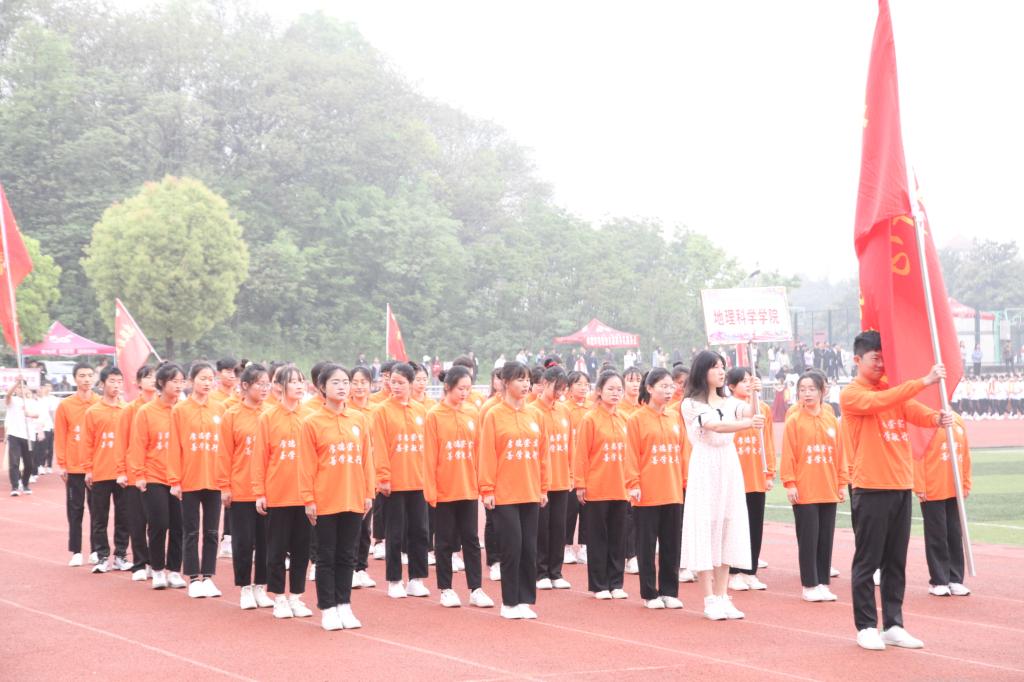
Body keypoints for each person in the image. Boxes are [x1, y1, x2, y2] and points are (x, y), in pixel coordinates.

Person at [840, 330, 951, 651]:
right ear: (857, 359)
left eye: (884, 359)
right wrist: (923, 381)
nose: (881, 364)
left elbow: (914, 412)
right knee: (867, 561)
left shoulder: (892, 392)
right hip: (871, 487)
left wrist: (937, 417)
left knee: (895, 561)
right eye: (875, 358)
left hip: (901, 485)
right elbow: (882, 402)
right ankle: (865, 626)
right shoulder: (852, 394)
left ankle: (893, 624)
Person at [680, 351, 761, 621]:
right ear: (702, 371)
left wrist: (754, 394)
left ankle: (723, 595)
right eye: (715, 367)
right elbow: (715, 426)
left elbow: (750, 411)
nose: (721, 371)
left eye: (722, 367)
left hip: (728, 465)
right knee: (706, 525)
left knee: (727, 525)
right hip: (705, 465)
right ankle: (709, 598)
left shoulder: (729, 400)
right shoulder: (691, 404)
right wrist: (748, 424)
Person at [299, 364, 374, 630]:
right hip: (325, 500)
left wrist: (368, 492)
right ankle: (328, 607)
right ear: (322, 387)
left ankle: (344, 604)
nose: (342, 387)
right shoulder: (311, 422)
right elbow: (306, 465)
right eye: (336, 382)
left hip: (353, 497)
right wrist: (308, 499)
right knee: (326, 556)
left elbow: (366, 459)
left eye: (345, 382)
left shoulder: (359, 419)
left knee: (347, 555)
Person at [479, 361, 549, 619]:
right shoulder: (494, 415)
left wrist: (543, 487)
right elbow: (487, 454)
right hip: (505, 494)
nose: (526, 384)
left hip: (530, 491)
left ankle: (524, 600)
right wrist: (487, 489)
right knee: (512, 547)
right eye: (520, 379)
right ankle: (509, 602)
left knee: (529, 548)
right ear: (506, 383)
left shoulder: (535, 415)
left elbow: (543, 455)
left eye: (527, 379)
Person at [423, 366, 494, 608]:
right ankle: (446, 589)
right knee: (444, 541)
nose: (464, 393)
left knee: (471, 540)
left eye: (468, 389)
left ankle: (476, 589)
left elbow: (479, 451)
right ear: (448, 387)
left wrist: (482, 484)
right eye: (461, 388)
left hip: (468, 488)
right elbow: (429, 456)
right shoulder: (434, 416)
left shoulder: (472, 412)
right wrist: (431, 490)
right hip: (444, 490)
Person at [253, 365, 314, 619]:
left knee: (302, 548)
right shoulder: (268, 417)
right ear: (280, 386)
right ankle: (278, 597)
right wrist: (259, 491)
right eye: (294, 381)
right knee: (276, 549)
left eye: (302, 380)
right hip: (278, 494)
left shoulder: (310, 416)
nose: (300, 385)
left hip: (305, 495)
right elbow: (259, 457)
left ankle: (296, 596)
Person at [780, 371, 847, 602]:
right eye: (802, 389)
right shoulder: (794, 420)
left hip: (828, 488)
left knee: (825, 538)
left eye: (811, 389)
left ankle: (823, 583)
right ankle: (809, 584)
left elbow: (840, 453)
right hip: (805, 489)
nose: (806, 393)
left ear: (822, 391)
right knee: (809, 538)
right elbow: (788, 454)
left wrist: (842, 483)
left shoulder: (831, 419)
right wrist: (790, 483)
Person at [625, 368, 685, 609]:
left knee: (672, 543)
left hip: (673, 490)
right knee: (647, 546)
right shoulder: (636, 419)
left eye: (671, 386)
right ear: (649, 388)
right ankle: (650, 593)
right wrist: (633, 483)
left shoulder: (675, 417)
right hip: (647, 493)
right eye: (663, 386)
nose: (669, 391)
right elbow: (631, 454)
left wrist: (685, 480)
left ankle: (669, 591)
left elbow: (684, 451)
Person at [218, 363, 274, 609]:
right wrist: (224, 486)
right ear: (245, 386)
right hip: (241, 488)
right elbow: (224, 454)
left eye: (267, 384)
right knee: (243, 541)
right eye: (260, 384)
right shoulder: (232, 416)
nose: (265, 388)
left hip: (269, 490)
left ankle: (261, 585)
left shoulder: (271, 413)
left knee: (265, 541)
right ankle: (244, 587)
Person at [372, 362, 431, 599]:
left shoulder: (421, 411)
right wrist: (383, 477)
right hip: (393, 484)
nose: (395, 386)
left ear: (410, 383)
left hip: (418, 481)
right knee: (394, 533)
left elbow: (428, 448)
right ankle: (394, 580)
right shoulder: (382, 411)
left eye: (400, 383)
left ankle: (416, 579)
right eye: (392, 382)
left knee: (420, 532)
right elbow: (380, 447)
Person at [167, 362, 225, 598]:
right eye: (202, 378)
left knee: (211, 531)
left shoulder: (220, 408)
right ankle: (193, 577)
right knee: (190, 531)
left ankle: (208, 576)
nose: (207, 383)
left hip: (214, 479)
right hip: (189, 479)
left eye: (210, 378)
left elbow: (225, 447)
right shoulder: (180, 410)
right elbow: (174, 446)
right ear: (191, 381)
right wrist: (174, 480)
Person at [129, 363, 187, 590]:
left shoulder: (183, 410)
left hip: (181, 476)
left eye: (181, 381)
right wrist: (139, 474)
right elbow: (138, 444)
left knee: (179, 525)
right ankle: (158, 569)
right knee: (159, 523)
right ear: (161, 383)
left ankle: (174, 570)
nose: (179, 386)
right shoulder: (146, 412)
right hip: (154, 475)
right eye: (174, 381)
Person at [574, 370, 630, 600]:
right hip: (597, 487)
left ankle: (616, 583)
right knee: (598, 538)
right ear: (599, 391)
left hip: (621, 487)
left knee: (618, 537)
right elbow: (581, 453)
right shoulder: (590, 419)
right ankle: (599, 585)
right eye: (610, 389)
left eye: (619, 389)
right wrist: (580, 483)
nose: (616, 393)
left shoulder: (625, 419)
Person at [725, 367, 775, 592]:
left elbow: (769, 442)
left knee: (755, 526)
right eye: (742, 381)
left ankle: (750, 572)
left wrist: (769, 473)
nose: (747, 384)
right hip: (735, 477)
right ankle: (734, 573)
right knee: (735, 527)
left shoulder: (763, 409)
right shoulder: (727, 408)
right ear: (731, 386)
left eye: (749, 380)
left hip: (756, 477)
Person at [914, 413, 971, 597]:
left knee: (955, 533)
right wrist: (919, 484)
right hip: (933, 487)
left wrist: (966, 482)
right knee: (937, 535)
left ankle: (955, 579)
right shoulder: (926, 420)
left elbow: (965, 453)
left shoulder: (957, 420)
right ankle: (939, 580)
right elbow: (917, 455)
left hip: (954, 487)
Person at [82, 366, 131, 573]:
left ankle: (120, 555)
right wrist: (88, 469)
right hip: (101, 472)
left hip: (123, 473)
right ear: (102, 384)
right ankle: (102, 556)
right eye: (112, 381)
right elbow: (87, 443)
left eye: (119, 381)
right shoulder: (93, 412)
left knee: (124, 516)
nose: (116, 385)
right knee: (99, 517)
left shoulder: (128, 410)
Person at [530, 366, 573, 591]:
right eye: (557, 388)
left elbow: (570, 445)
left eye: (563, 389)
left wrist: (571, 473)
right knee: (541, 527)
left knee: (559, 527)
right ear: (545, 384)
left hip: (561, 478)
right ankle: (540, 572)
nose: (560, 393)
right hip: (539, 481)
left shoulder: (564, 411)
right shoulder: (532, 411)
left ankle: (556, 572)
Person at [55, 363, 99, 566]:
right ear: (75, 379)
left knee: (97, 510)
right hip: (74, 467)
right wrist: (62, 464)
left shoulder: (99, 403)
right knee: (75, 509)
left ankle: (97, 550)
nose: (86, 379)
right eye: (82, 375)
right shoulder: (66, 405)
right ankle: (76, 551)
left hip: (96, 467)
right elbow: (61, 436)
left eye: (90, 375)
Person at [117, 365, 156, 582]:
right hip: (134, 474)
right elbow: (122, 443)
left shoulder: (167, 407)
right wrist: (122, 471)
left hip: (158, 474)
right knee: (137, 521)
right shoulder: (130, 410)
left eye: (155, 377)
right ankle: (140, 563)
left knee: (158, 522)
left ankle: (155, 561)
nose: (152, 380)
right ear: (138, 383)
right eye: (147, 377)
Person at [348, 366, 380, 589]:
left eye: (364, 382)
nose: (359, 387)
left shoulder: (376, 411)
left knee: (365, 525)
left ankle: (361, 567)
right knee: (351, 525)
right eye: (355, 382)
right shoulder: (344, 410)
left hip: (369, 475)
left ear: (371, 385)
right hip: (348, 475)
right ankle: (348, 567)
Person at [563, 370, 590, 566]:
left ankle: (583, 546)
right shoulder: (565, 409)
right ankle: (566, 546)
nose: (583, 387)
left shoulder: (591, 408)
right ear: (570, 387)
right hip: (569, 465)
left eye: (585, 384)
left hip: (589, 465)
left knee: (587, 508)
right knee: (570, 509)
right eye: (578, 384)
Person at [6, 379, 38, 496]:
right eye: (19, 387)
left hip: (29, 436)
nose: (21, 389)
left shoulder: (32, 402)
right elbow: (8, 395)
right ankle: (14, 486)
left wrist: (29, 414)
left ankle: (25, 484)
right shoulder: (13, 400)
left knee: (29, 464)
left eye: (23, 387)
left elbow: (37, 414)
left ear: (27, 389)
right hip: (14, 434)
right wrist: (16, 383)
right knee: (14, 462)